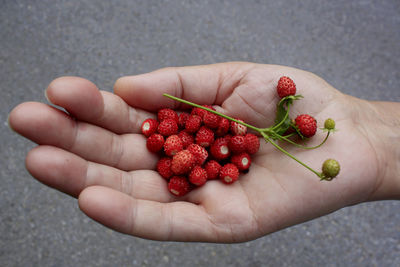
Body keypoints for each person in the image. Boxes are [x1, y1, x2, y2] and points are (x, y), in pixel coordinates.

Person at [8, 62, 400, 243]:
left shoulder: (235, 144)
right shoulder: (198, 142)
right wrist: (369, 131)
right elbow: (195, 149)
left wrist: (367, 135)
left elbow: (226, 147)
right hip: (198, 148)